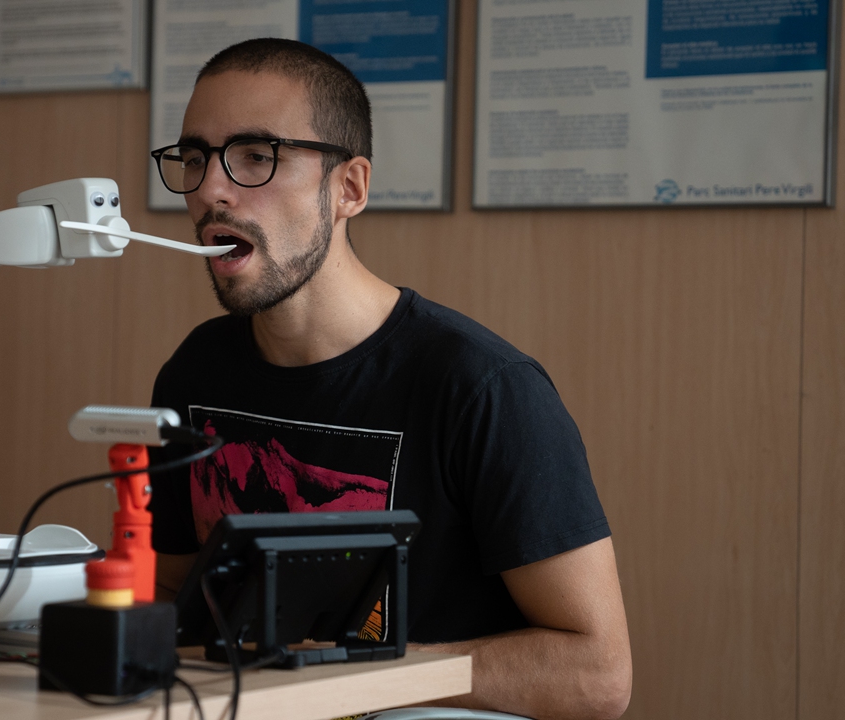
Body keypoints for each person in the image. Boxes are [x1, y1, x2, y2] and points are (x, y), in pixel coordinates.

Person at [146, 38, 632, 720]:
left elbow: (597, 673)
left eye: (256, 156)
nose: (209, 189)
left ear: (348, 189)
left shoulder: (484, 388)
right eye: (195, 158)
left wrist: (358, 676)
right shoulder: (195, 371)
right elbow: (171, 596)